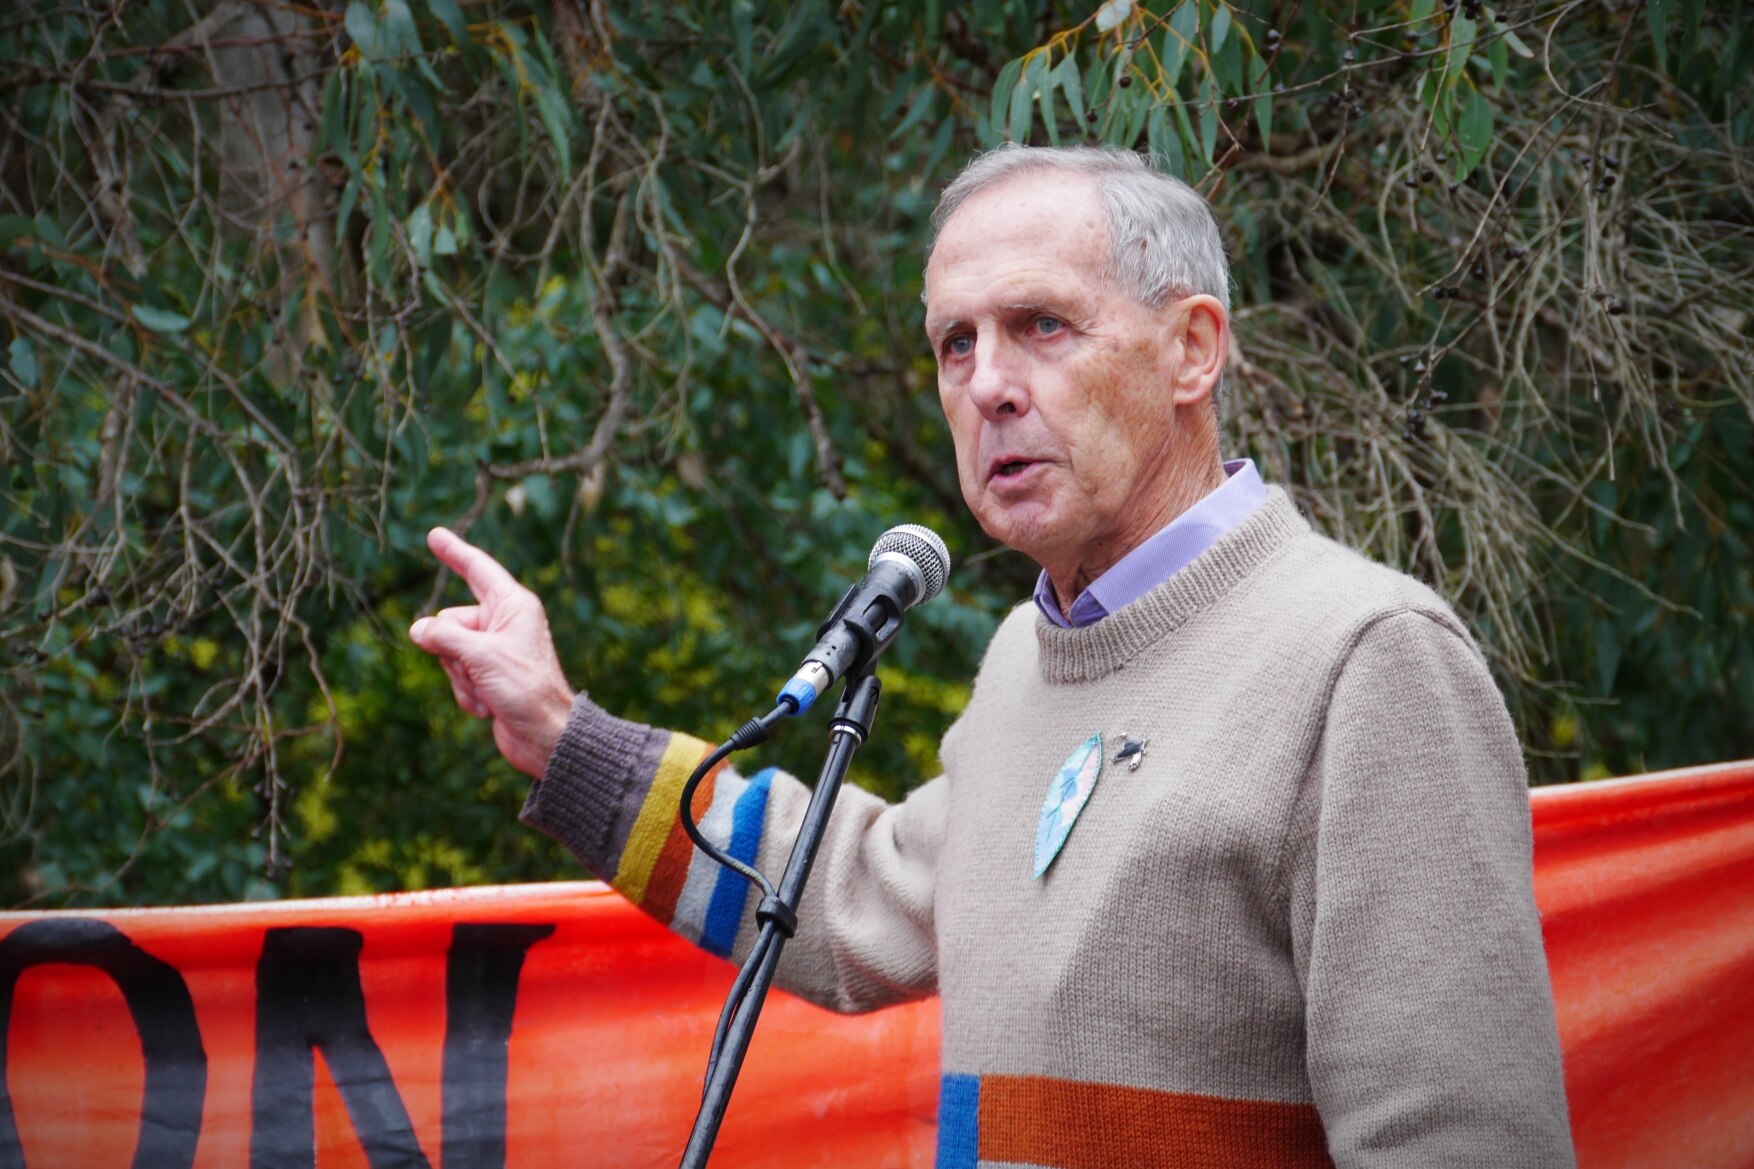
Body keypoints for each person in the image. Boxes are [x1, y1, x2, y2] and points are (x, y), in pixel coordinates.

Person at [409, 145, 1575, 1168]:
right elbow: (854, 892)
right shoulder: (1029, 650)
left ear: (1190, 349)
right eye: (952, 344)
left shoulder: (1365, 657)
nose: (987, 387)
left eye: (1041, 326)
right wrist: (562, 735)